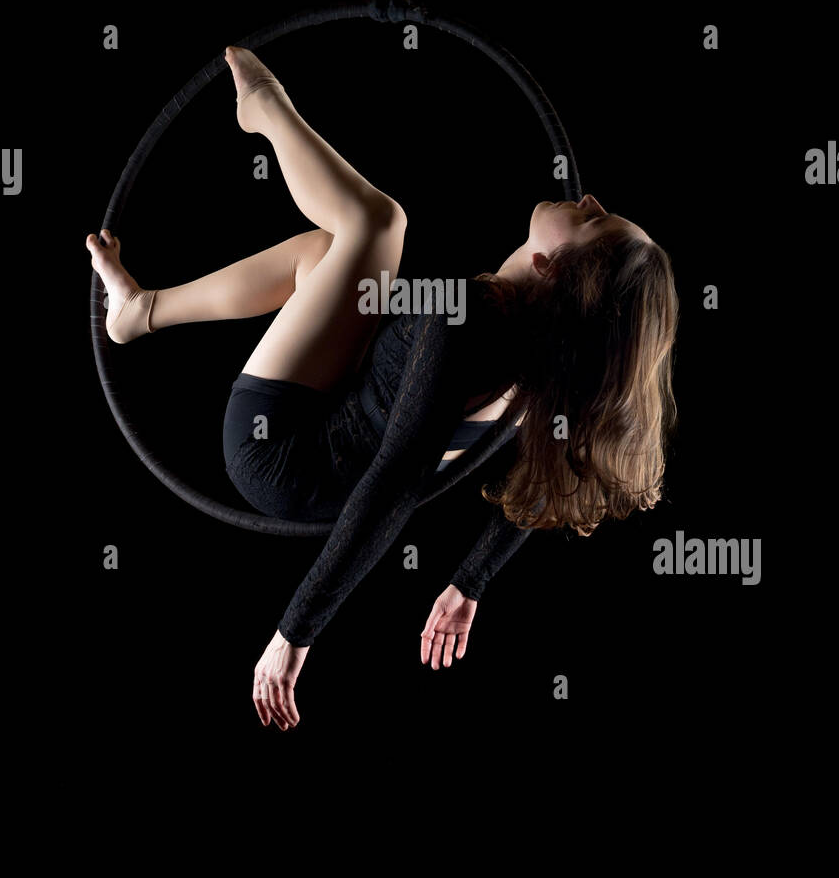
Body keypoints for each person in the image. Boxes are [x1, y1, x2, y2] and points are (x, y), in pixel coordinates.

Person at [85, 47, 678, 731]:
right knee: (329, 256)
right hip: (338, 420)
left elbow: (395, 482)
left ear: (551, 266)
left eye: (596, 219)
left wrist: (293, 634)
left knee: (377, 225)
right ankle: (141, 309)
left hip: (281, 447)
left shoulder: (468, 318)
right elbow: (546, 488)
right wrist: (469, 582)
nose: (593, 198)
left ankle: (265, 111)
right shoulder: (548, 364)